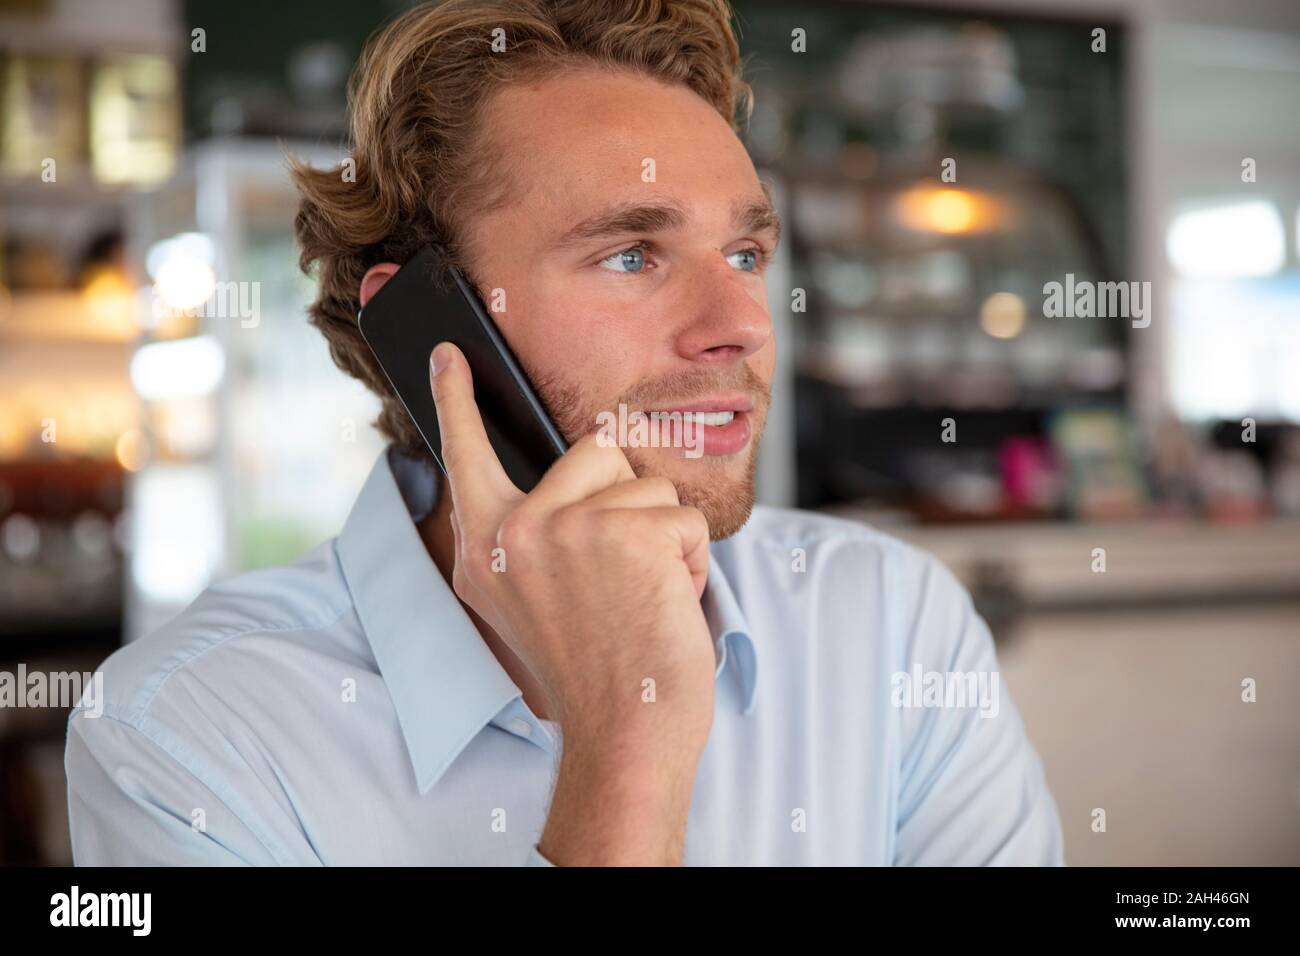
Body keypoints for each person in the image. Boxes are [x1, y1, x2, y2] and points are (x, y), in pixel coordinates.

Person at [66, 0, 1063, 865]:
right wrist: (629, 735)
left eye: (746, 250)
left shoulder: (890, 622)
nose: (745, 325)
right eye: (633, 253)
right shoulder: (187, 732)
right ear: (427, 329)